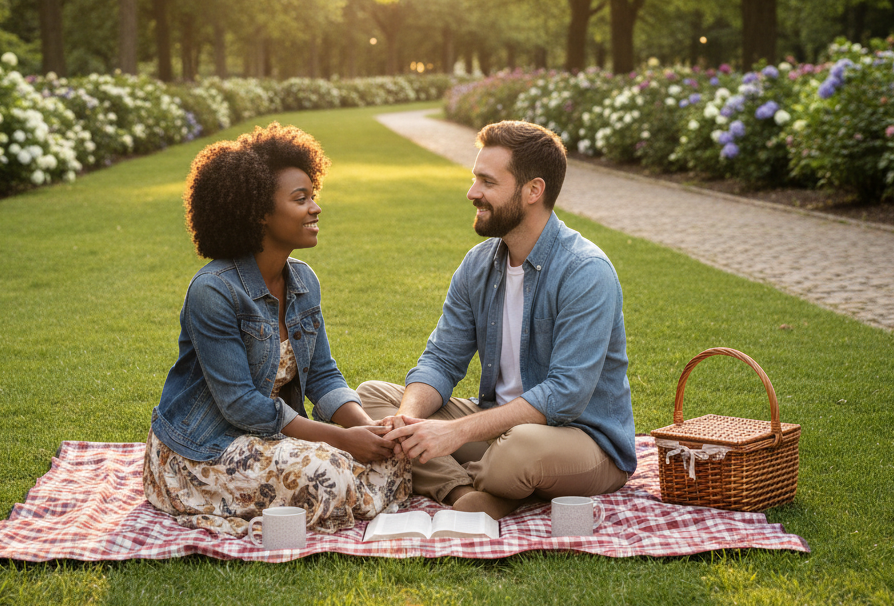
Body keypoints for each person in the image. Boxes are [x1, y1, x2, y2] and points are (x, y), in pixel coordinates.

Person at [359, 120, 636, 520]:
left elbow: (566, 393)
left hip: (581, 441)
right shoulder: (478, 265)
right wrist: (410, 418)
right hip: (497, 430)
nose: (473, 193)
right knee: (372, 400)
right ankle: (465, 494)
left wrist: (454, 433)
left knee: (519, 450)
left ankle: (469, 476)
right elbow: (441, 359)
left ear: (533, 191)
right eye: (475, 179)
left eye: (487, 182)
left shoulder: (585, 271)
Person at [144, 123, 409, 537]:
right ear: (260, 214)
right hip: (206, 449)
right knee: (330, 469)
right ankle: (346, 496)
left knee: (391, 456)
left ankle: (340, 493)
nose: (316, 208)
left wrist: (363, 429)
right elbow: (241, 406)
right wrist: (340, 441)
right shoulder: (213, 290)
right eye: (300, 199)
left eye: (313, 196)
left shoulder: (303, 281)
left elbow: (322, 375)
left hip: (269, 439)